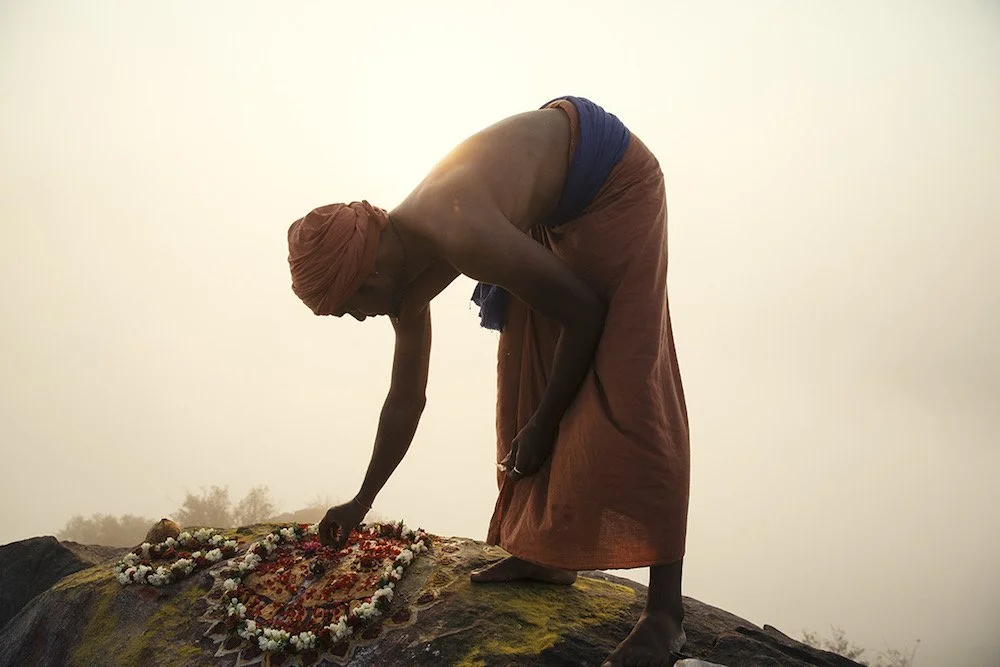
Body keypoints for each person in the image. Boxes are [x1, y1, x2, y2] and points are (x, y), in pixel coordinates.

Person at [287, 96, 691, 666]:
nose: (358, 317)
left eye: (350, 305)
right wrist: (362, 500)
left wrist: (545, 427)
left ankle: (665, 616)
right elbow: (406, 399)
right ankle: (545, 555)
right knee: (524, 373)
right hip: (549, 206)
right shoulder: (406, 274)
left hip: (614, 179)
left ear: (371, 268)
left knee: (627, 375)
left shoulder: (459, 229)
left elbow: (585, 314)